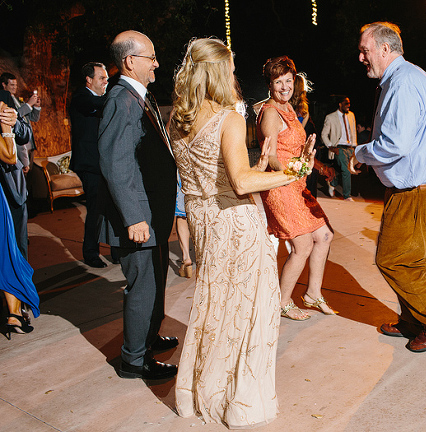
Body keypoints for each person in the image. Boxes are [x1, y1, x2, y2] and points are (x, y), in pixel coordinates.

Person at [168, 37, 301, 427]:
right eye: (229, 68)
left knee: (215, 306)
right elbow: (240, 183)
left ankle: (202, 390)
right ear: (217, 72)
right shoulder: (227, 117)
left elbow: (213, 178)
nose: (234, 75)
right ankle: (239, 399)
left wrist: (259, 169)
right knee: (249, 310)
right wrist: (286, 173)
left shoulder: (180, 117)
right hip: (236, 222)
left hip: (203, 220)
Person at [346, 21, 426, 353]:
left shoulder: (403, 84)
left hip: (417, 192)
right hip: (422, 187)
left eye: (365, 50)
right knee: (410, 261)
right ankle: (413, 320)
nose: (361, 57)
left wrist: (360, 153)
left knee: (392, 261)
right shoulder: (407, 77)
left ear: (385, 49)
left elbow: (394, 144)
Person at [99, 30, 180, 379]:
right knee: (143, 286)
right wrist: (133, 217)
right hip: (139, 218)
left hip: (151, 215)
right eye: (151, 57)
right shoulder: (121, 99)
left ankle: (147, 337)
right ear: (131, 61)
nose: (157, 63)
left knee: (155, 283)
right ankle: (134, 359)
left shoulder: (137, 97)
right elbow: (116, 164)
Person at [257, 56, 332, 320]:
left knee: (324, 236)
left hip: (297, 183)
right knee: (302, 246)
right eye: (278, 82)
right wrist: (292, 169)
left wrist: (307, 155)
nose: (284, 86)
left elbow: (293, 150)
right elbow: (272, 156)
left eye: (288, 80)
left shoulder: (289, 109)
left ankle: (312, 293)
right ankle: (282, 301)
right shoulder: (270, 112)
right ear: (270, 84)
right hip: (281, 186)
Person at [0, 102, 37, 338]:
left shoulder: (4, 105)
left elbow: (25, 133)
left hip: (10, 192)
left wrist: (13, 123)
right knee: (9, 252)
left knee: (16, 248)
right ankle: (14, 311)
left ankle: (17, 307)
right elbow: (11, 155)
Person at [70, 62, 112, 268]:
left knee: (113, 208)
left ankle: (117, 250)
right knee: (95, 210)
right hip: (90, 164)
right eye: (101, 78)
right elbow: (95, 105)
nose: (106, 81)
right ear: (89, 80)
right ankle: (91, 253)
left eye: (106, 78)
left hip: (106, 163)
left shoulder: (101, 99)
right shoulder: (81, 98)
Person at [321, 96, 357, 201]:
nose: (348, 105)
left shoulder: (351, 115)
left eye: (349, 103)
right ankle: (347, 196)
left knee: (345, 170)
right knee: (346, 170)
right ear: (340, 104)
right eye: (346, 103)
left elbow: (353, 131)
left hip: (350, 147)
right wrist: (331, 147)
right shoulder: (331, 117)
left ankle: (332, 182)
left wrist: (354, 147)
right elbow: (324, 134)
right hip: (338, 148)